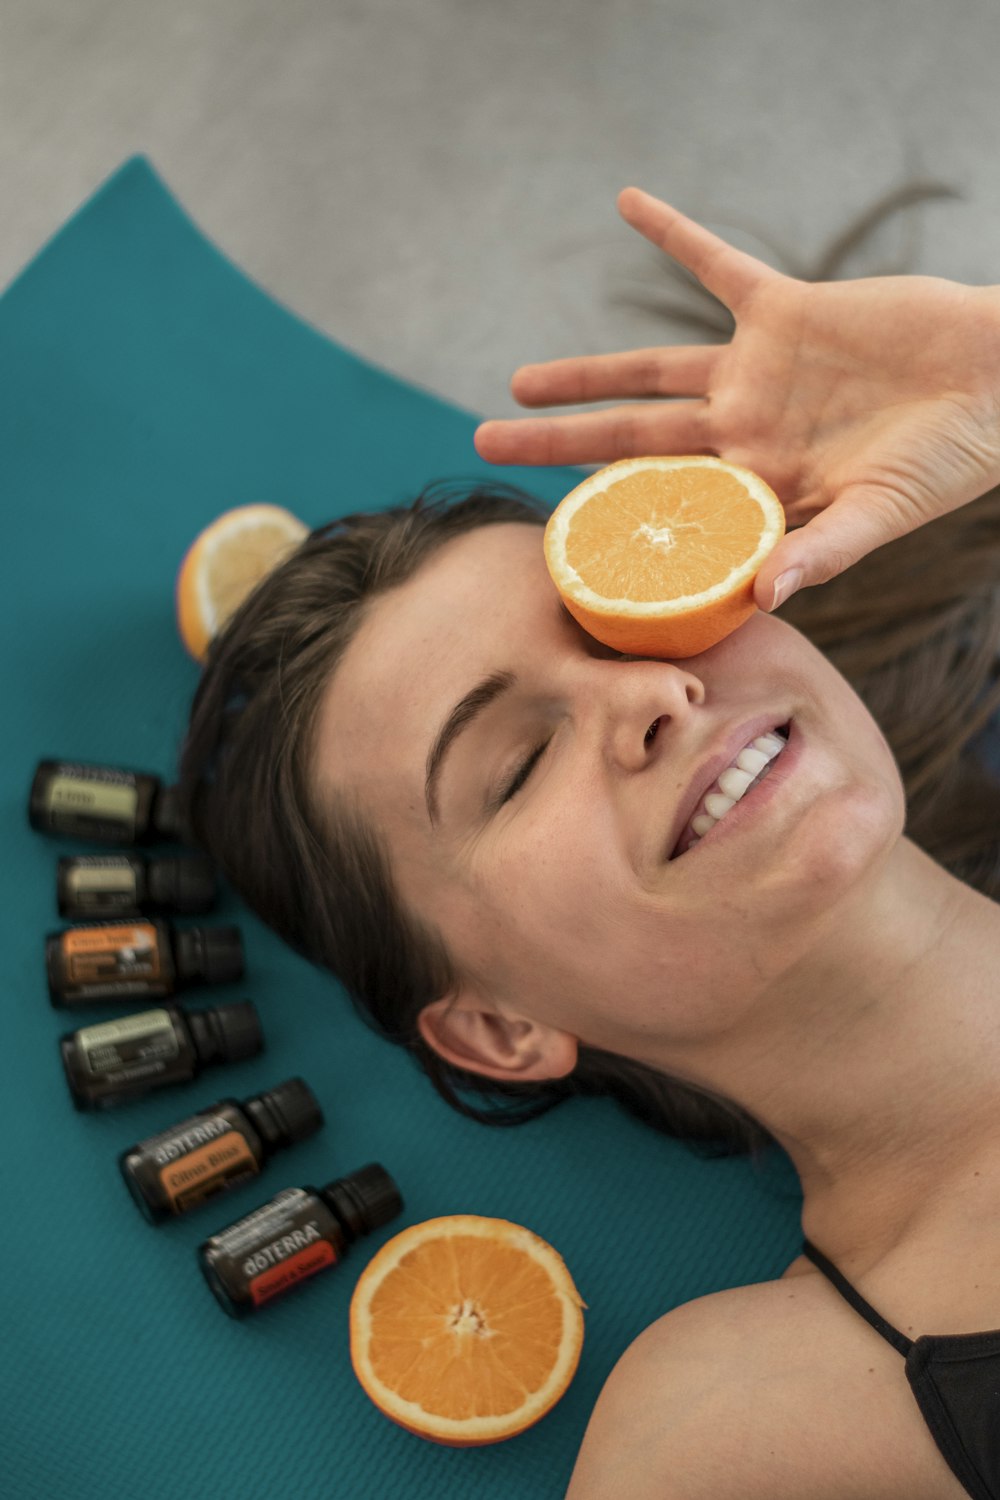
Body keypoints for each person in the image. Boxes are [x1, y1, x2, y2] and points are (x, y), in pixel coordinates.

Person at [178, 188, 1000, 1499]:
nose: (647, 696)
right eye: (515, 765)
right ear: (501, 1031)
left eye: (626, 628)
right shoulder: (732, 1434)